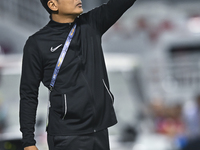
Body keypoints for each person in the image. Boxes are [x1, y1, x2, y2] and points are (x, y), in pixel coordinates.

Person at [19, 0, 136, 150]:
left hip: (100, 130)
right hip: (66, 135)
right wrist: (28, 141)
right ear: (53, 5)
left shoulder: (92, 23)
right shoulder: (36, 43)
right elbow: (28, 94)